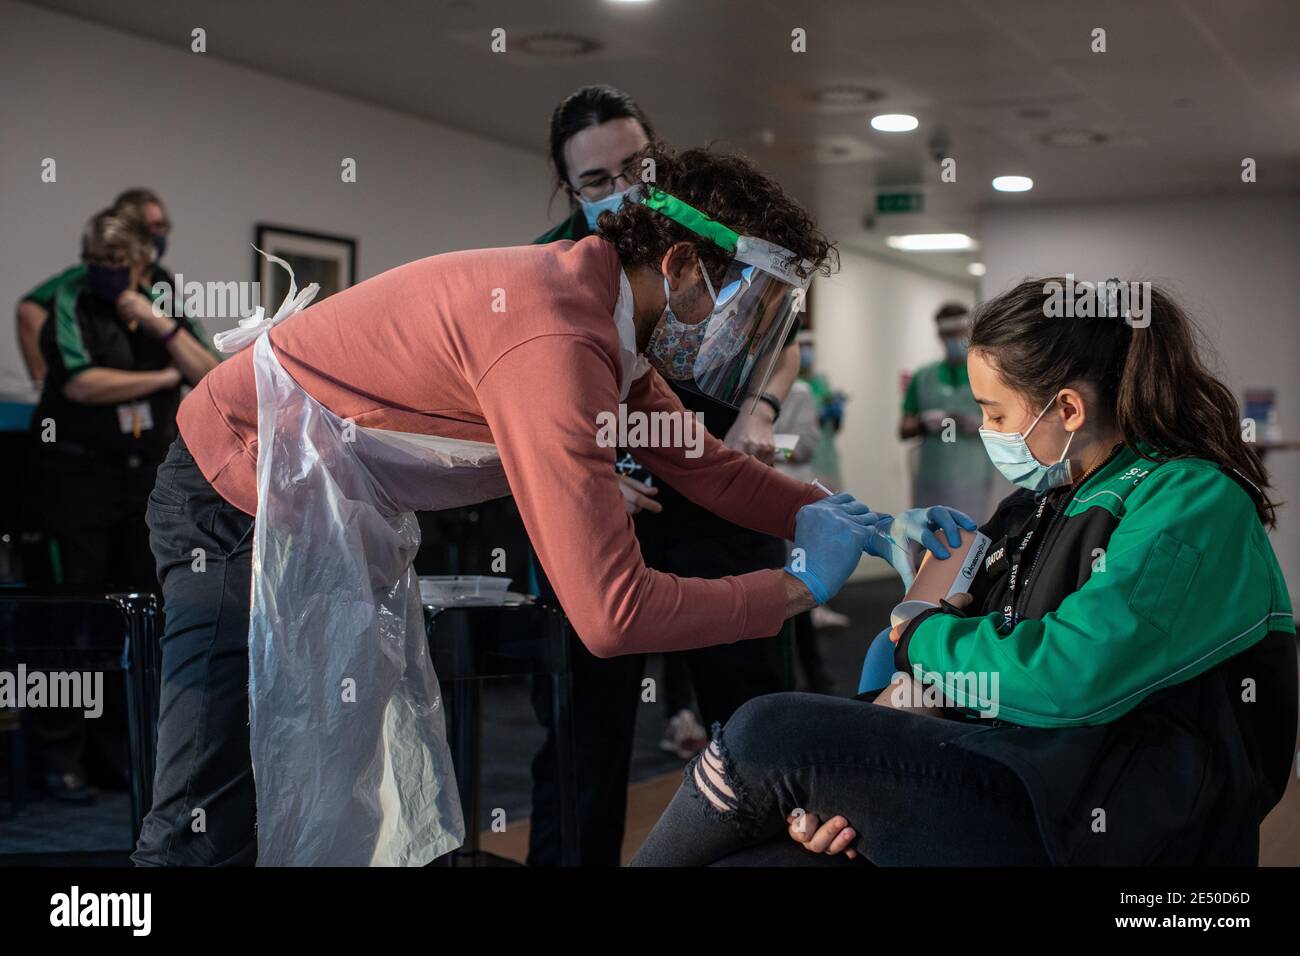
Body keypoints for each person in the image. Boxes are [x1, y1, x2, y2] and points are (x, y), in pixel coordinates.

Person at [134, 142, 971, 866]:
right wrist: (796, 590)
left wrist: (836, 514)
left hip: (315, 503)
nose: (736, 335)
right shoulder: (557, 341)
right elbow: (612, 614)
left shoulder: (603, 319)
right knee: (212, 797)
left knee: (311, 768)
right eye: (740, 303)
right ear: (678, 264)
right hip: (231, 493)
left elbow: (701, 465)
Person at [633, 278, 1295, 867]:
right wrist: (848, 765)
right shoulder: (1039, 501)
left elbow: (1068, 674)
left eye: (996, 413)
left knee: (762, 731)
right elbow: (944, 665)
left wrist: (919, 636)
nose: (982, 429)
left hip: (1107, 822)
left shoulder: (1189, 500)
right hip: (1015, 770)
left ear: (1066, 409)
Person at [526, 86, 808, 865]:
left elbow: (782, 335)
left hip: (713, 496)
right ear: (568, 189)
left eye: (636, 169)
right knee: (583, 738)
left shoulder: (711, 243)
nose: (621, 193)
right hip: (602, 513)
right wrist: (577, 477)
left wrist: (760, 409)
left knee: (754, 720)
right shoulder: (548, 268)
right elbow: (514, 407)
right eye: (596, 182)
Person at [27, 208, 217, 801]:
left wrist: (159, 327)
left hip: (144, 481)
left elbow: (209, 372)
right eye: (98, 263)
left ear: (141, 263)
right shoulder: (71, 298)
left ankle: (119, 755)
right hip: (75, 477)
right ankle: (58, 760)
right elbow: (81, 383)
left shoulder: (161, 293)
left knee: (133, 620)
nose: (107, 273)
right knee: (68, 619)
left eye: (118, 265)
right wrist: (163, 380)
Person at [16, 188, 176, 387]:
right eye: (147, 228)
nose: (156, 235)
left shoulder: (161, 279)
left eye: (160, 226)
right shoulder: (83, 281)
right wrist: (45, 380)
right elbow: (28, 309)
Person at [899, 302, 998, 521]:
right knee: (930, 540)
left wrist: (983, 424)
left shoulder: (989, 374)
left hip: (974, 477)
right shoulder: (924, 377)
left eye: (958, 333)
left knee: (973, 540)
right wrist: (923, 423)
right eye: (947, 335)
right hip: (931, 478)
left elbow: (1012, 423)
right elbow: (904, 429)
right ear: (940, 336)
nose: (953, 340)